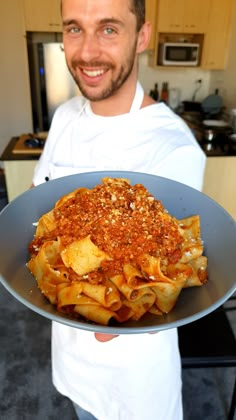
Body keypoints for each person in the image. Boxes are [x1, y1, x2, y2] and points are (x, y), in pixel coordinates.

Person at [32, 0, 206, 419]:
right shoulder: (64, 117)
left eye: (108, 29)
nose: (88, 52)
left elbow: (164, 285)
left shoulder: (173, 147)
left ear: (141, 36)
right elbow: (39, 219)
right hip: (70, 366)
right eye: (75, 29)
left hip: (134, 386)